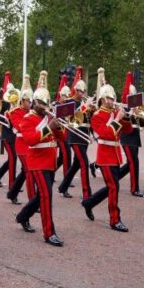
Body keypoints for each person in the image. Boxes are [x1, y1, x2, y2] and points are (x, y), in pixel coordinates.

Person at [15, 70, 66, 246]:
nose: (45, 107)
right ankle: (49, 232)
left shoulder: (48, 117)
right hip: (36, 161)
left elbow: (62, 138)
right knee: (46, 195)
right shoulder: (27, 118)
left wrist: (58, 127)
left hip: (50, 161)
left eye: (47, 104)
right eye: (42, 104)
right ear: (35, 103)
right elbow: (30, 139)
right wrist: (48, 127)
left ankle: (22, 216)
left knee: (40, 196)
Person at [81, 68, 133, 231]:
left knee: (112, 186)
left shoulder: (114, 112)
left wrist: (126, 118)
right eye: (109, 98)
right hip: (104, 156)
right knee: (113, 187)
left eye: (113, 98)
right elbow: (106, 134)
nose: (112, 101)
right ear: (103, 100)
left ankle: (89, 203)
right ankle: (114, 220)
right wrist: (117, 119)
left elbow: (128, 130)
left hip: (116, 155)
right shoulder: (97, 116)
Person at [57, 66, 95, 200]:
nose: (83, 93)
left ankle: (63, 187)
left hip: (84, 135)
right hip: (74, 135)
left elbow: (90, 119)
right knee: (84, 163)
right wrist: (85, 107)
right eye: (80, 90)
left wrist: (92, 109)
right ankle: (87, 194)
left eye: (84, 90)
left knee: (77, 164)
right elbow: (68, 117)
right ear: (75, 90)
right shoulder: (69, 102)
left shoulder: (84, 102)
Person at [5, 74, 35, 205]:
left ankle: (12, 193)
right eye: (28, 101)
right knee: (29, 171)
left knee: (25, 171)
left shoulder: (33, 111)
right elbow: (20, 127)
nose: (31, 104)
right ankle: (32, 201)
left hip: (31, 144)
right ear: (22, 101)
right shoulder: (14, 112)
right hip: (21, 144)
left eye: (31, 101)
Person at [118, 74, 144, 197]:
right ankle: (134, 188)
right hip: (126, 135)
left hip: (135, 135)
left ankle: (114, 177)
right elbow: (123, 120)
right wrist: (131, 114)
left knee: (131, 163)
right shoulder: (123, 107)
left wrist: (141, 115)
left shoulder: (137, 106)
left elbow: (142, 123)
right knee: (134, 162)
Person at [0, 75, 20, 189]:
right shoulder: (3, 104)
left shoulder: (16, 104)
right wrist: (5, 118)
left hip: (14, 135)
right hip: (7, 135)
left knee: (11, 159)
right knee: (13, 158)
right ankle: (12, 185)